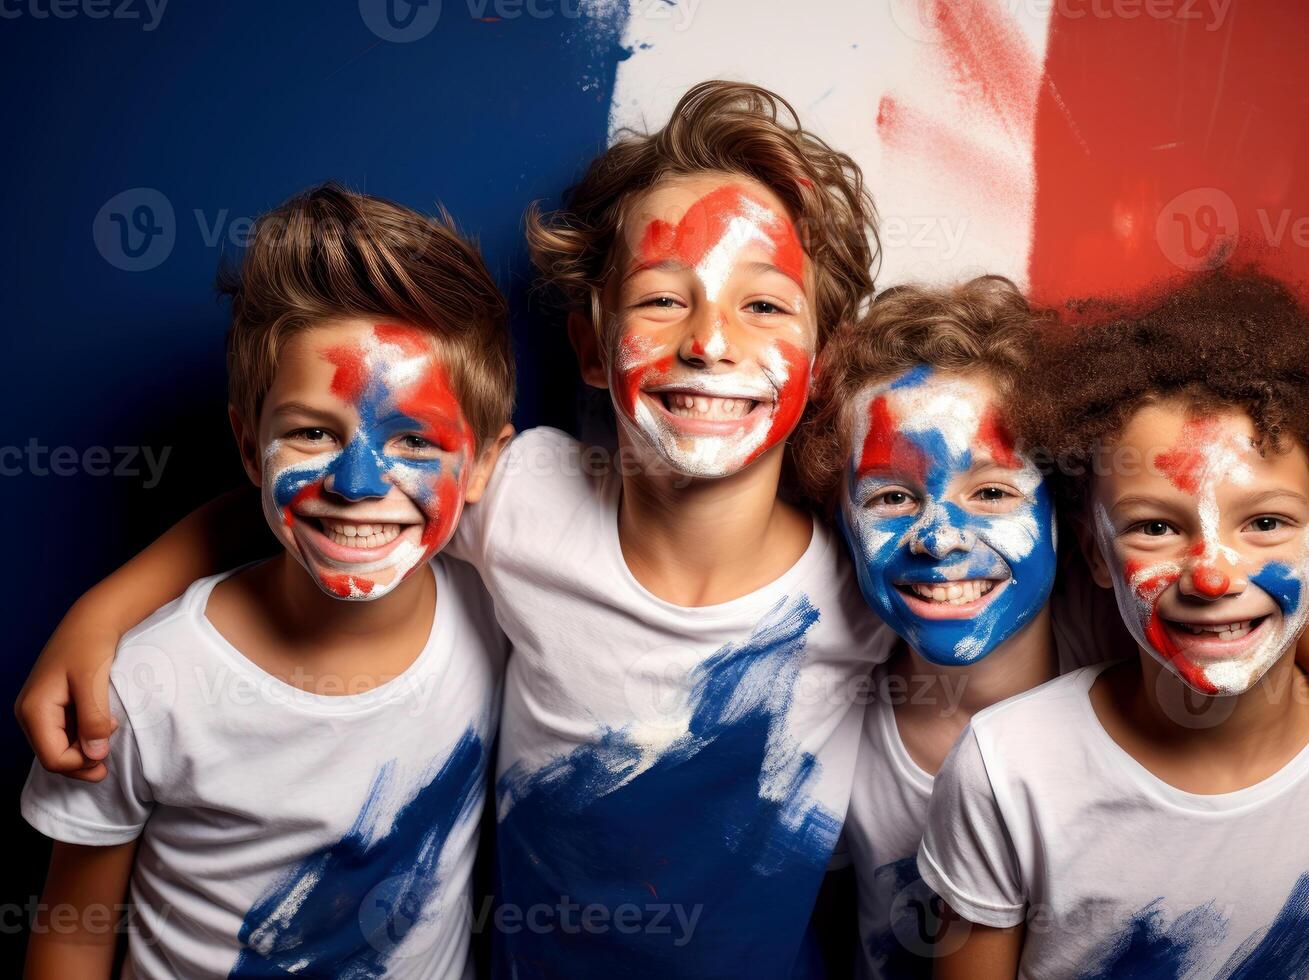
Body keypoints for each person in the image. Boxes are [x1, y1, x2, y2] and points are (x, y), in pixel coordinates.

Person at [16, 81, 888, 977]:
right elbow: (334, 495)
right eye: (663, 299)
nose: (710, 342)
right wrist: (105, 610)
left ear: (821, 363)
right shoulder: (522, 498)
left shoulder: (870, 575)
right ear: (590, 345)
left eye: (765, 305)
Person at [21, 184, 514, 979]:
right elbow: (71, 935)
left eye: (413, 439)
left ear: (487, 463)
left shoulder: (497, 613)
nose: (357, 482)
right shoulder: (139, 688)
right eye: (313, 433)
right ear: (250, 449)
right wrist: (101, 614)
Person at [920, 268, 1309, 978]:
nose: (1213, 575)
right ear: (1096, 553)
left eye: (1266, 522)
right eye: (1155, 527)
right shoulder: (1008, 771)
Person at [792, 276, 1064, 978]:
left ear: (1063, 511)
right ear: (841, 521)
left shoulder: (1126, 663)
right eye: (889, 496)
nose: (938, 537)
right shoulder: (826, 720)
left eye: (993, 492)